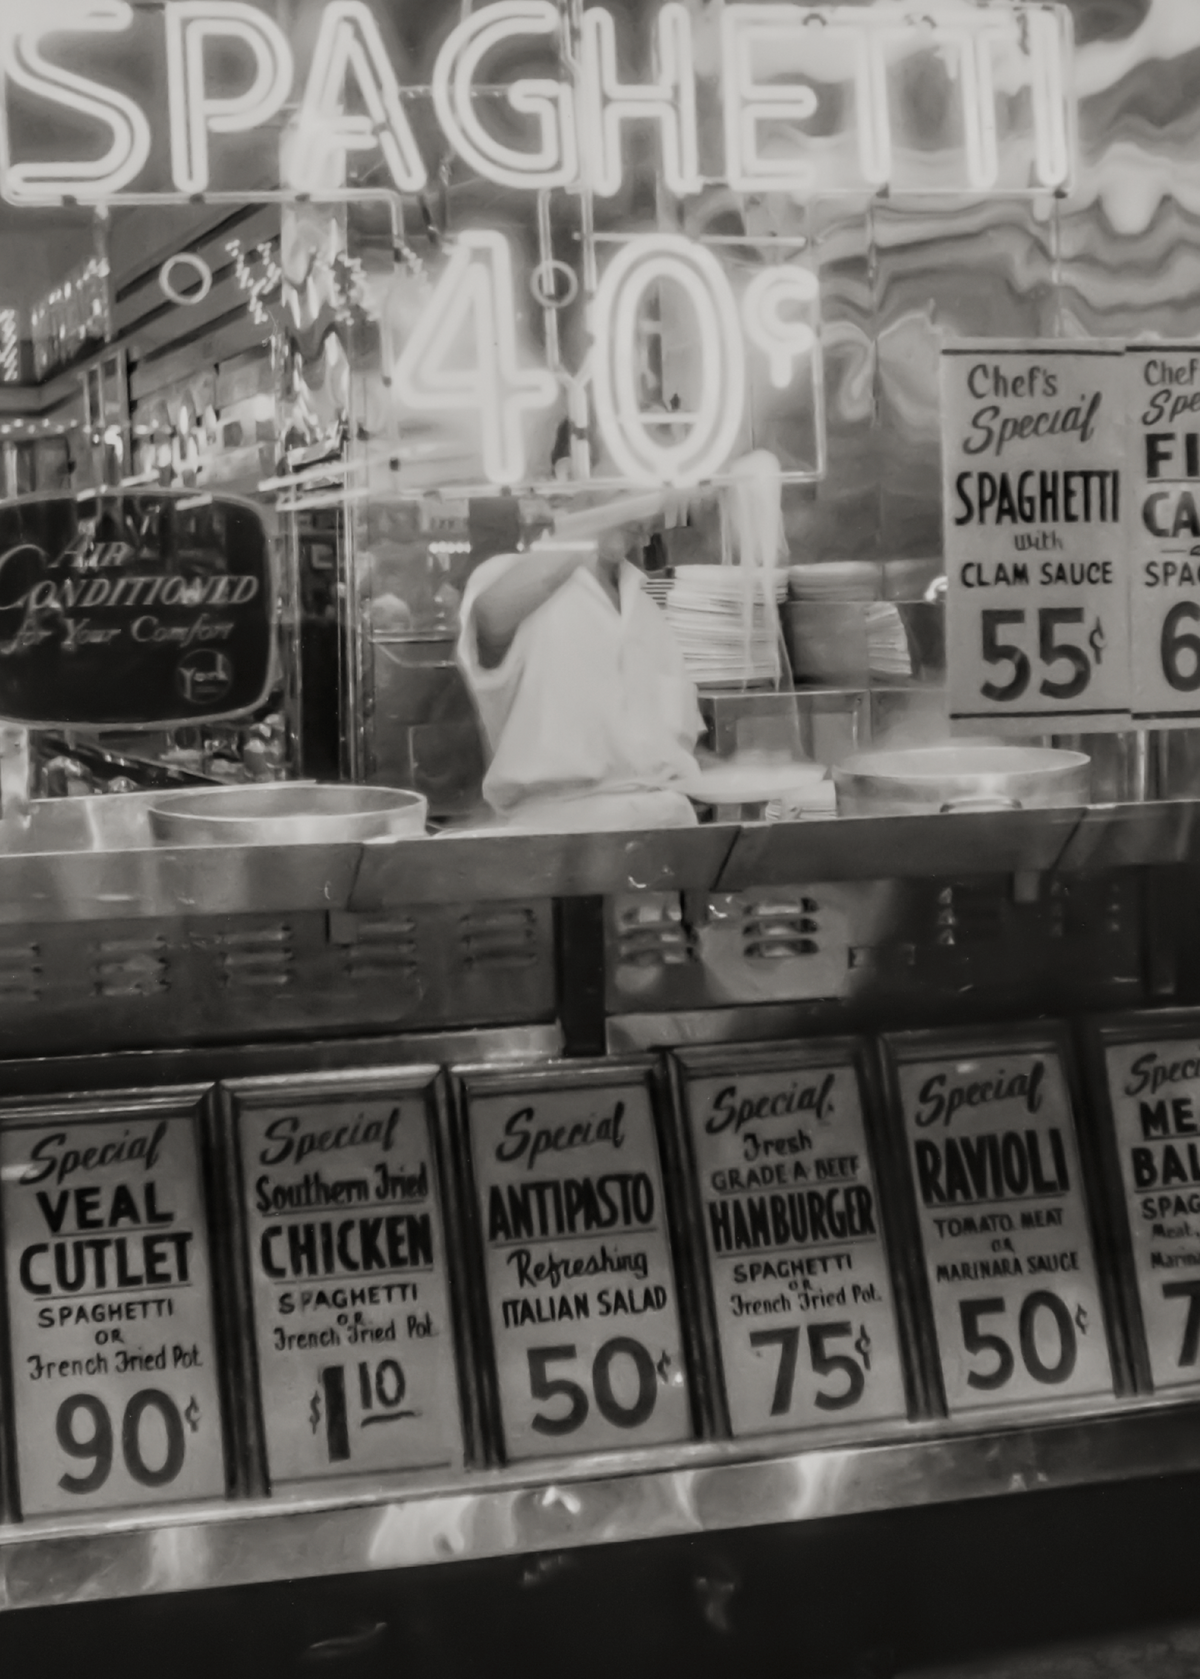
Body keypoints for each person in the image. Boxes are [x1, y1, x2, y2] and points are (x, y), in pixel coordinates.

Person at [456, 500, 703, 831]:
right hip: (559, 837)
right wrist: (603, 518)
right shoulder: (506, 577)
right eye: (621, 491)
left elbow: (669, 747)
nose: (639, 507)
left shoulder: (647, 607)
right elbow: (491, 615)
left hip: (671, 834)